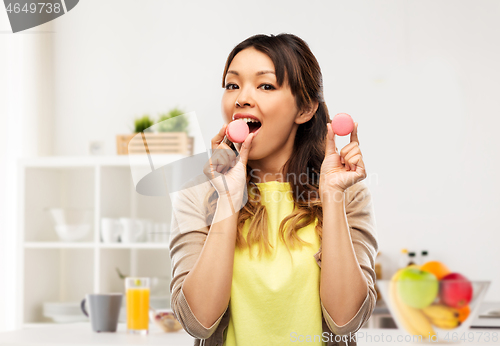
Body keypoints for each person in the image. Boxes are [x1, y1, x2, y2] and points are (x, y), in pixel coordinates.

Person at [169, 33, 378, 346]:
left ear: (305, 108)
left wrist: (332, 198)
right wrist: (228, 199)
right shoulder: (199, 193)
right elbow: (198, 322)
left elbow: (346, 321)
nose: (241, 98)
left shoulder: (347, 192)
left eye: (265, 85)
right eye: (232, 85)